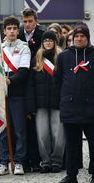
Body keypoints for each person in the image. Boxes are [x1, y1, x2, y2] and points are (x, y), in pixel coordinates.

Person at [56, 22, 94, 183]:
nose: (79, 39)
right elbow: (58, 80)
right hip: (70, 107)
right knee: (72, 145)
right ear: (71, 39)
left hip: (90, 107)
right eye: (76, 36)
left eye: (82, 36)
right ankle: (71, 175)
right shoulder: (64, 56)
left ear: (87, 38)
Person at [0, 16, 31, 176]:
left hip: (17, 93)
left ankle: (19, 162)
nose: (12, 31)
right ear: (4, 31)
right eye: (9, 28)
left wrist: (10, 80)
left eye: (15, 28)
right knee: (2, 129)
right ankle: (3, 162)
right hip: (1, 94)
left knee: (19, 130)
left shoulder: (24, 47)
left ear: (18, 30)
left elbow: (24, 71)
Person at [26, 31, 65, 173]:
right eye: (45, 40)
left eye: (50, 40)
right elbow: (30, 84)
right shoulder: (36, 59)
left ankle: (57, 161)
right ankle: (46, 161)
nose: (47, 43)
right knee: (42, 135)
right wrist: (31, 105)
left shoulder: (61, 58)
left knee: (58, 134)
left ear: (55, 42)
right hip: (40, 104)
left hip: (58, 103)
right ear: (42, 43)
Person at [18, 7, 43, 172]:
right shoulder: (17, 34)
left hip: (36, 82)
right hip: (19, 83)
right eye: (25, 21)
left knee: (35, 125)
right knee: (22, 125)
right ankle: (24, 160)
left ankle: (36, 159)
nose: (27, 24)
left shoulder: (42, 35)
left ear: (36, 21)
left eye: (30, 21)